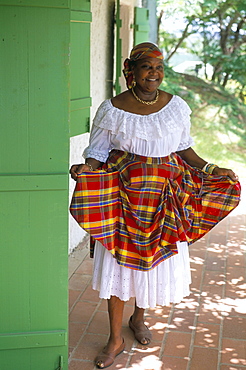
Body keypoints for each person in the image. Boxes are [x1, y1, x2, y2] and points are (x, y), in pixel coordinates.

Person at [70, 42, 240, 369]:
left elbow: (186, 150)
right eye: (147, 66)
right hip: (123, 200)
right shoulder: (112, 108)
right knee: (120, 265)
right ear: (130, 70)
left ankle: (138, 319)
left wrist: (212, 169)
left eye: (159, 68)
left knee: (153, 262)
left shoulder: (175, 107)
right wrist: (86, 168)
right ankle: (115, 338)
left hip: (165, 200)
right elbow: (98, 153)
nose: (154, 74)